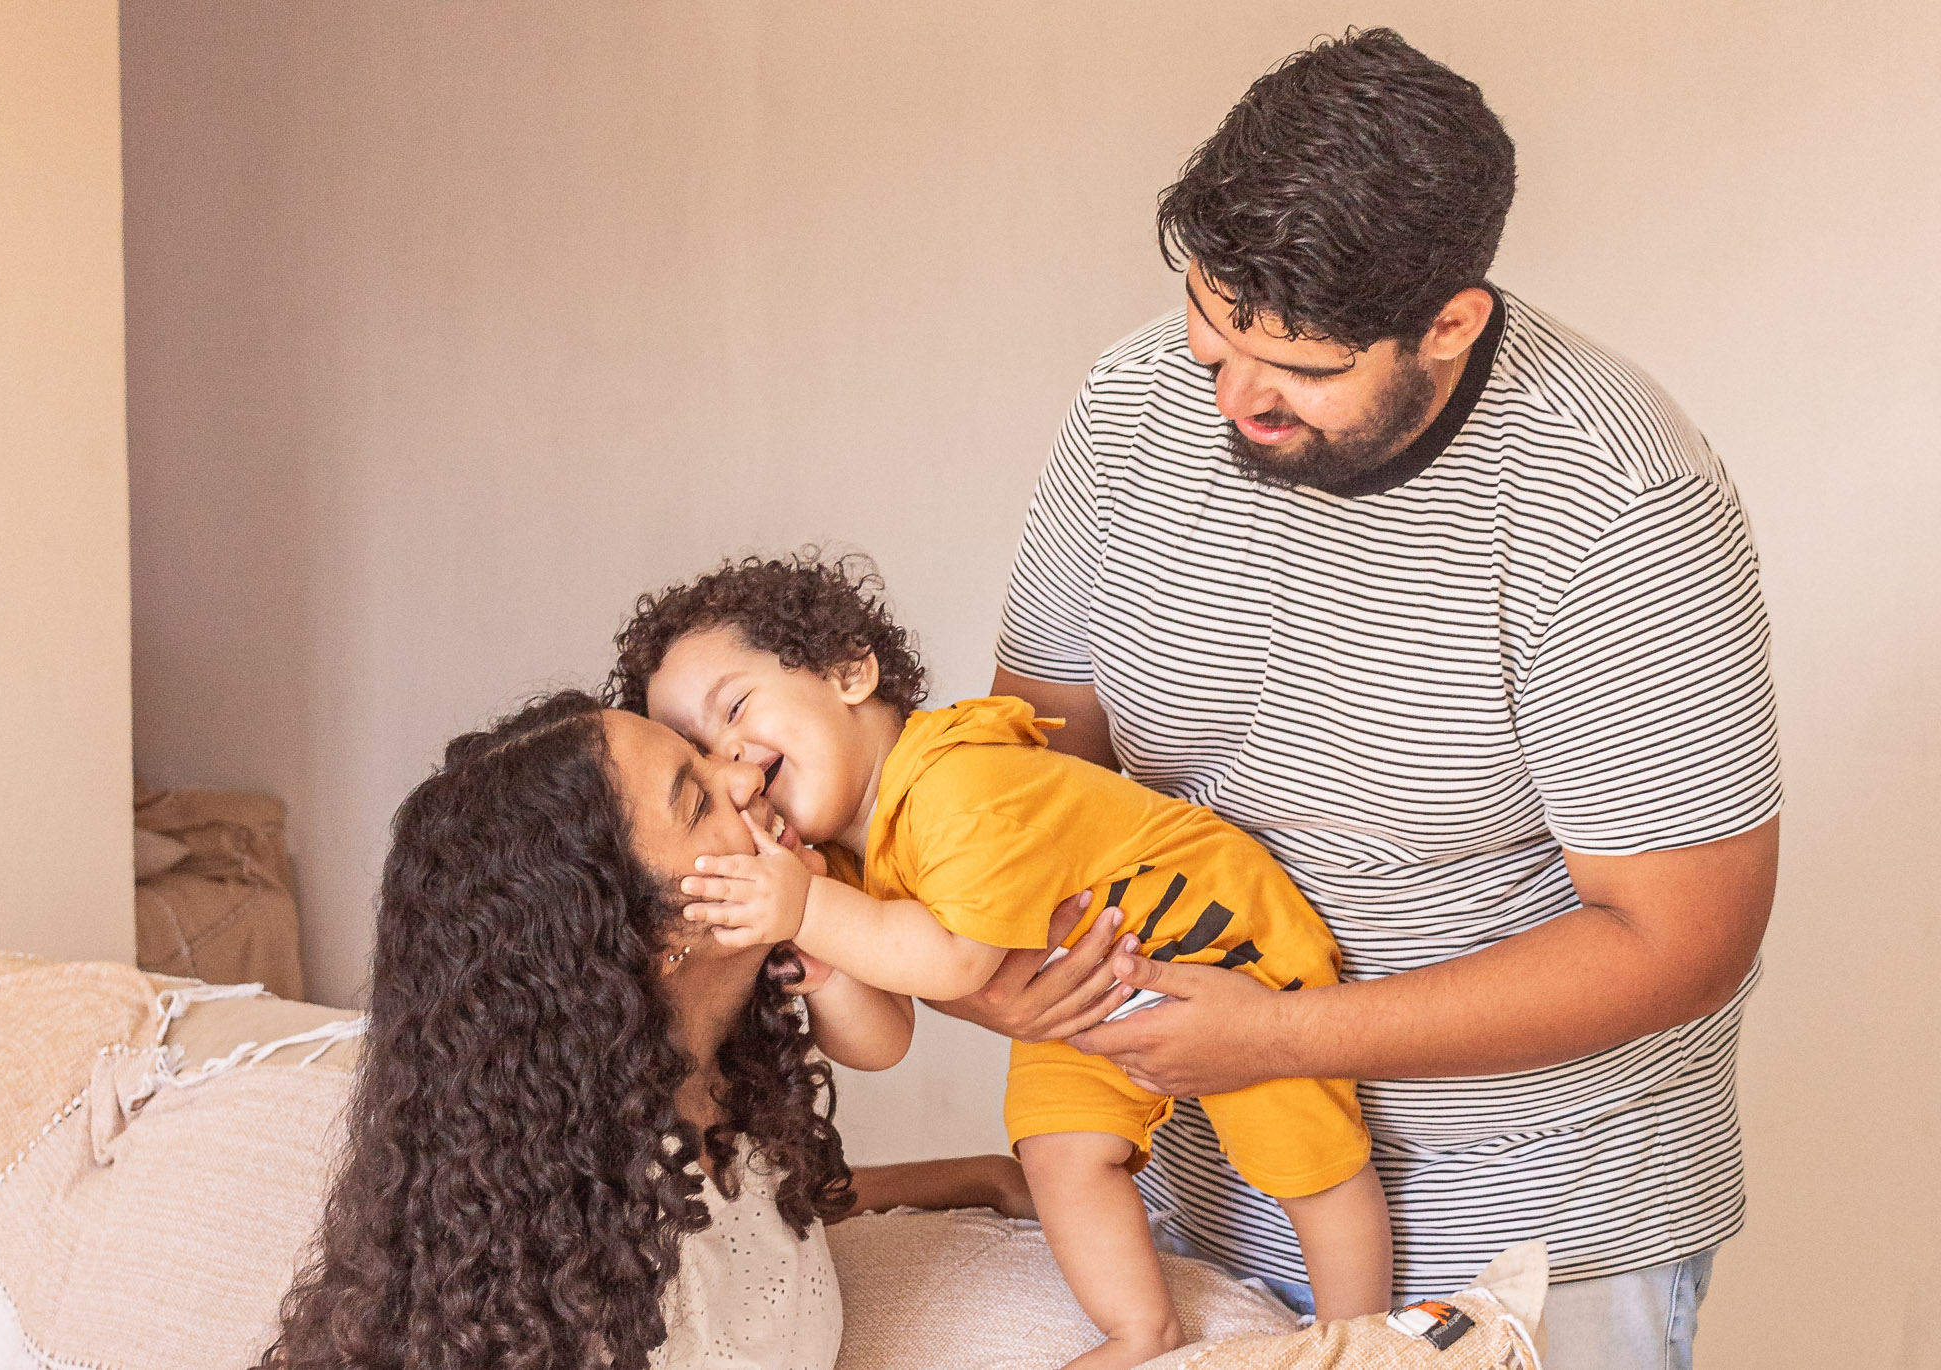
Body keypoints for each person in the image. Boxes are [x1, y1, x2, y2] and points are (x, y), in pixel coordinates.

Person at [944, 27, 1780, 1370]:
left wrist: (1279, 1037)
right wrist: (995, 974)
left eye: (1304, 368)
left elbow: (1682, 938)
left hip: (1524, 1229)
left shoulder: (1619, 499)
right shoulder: (1128, 407)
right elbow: (1042, 763)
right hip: (1198, 1174)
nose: (1235, 395)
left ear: (1450, 324)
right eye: (1213, 327)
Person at [612, 554, 1389, 1366]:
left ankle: (1365, 1340)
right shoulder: (835, 862)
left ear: (848, 671)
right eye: (700, 750)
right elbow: (884, 1040)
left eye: (736, 709)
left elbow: (956, 962)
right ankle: (1141, 1332)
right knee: (1058, 1151)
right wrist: (826, 971)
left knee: (1307, 1157)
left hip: (1220, 945)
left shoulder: (960, 783)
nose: (735, 765)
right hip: (1092, 987)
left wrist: (811, 911)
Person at [255, 689, 1015, 1370]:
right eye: (697, 800)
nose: (745, 776)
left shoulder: (711, 1102)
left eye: (707, 755)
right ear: (642, 939)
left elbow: (759, 1209)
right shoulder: (582, 1283)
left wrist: (980, 1178)